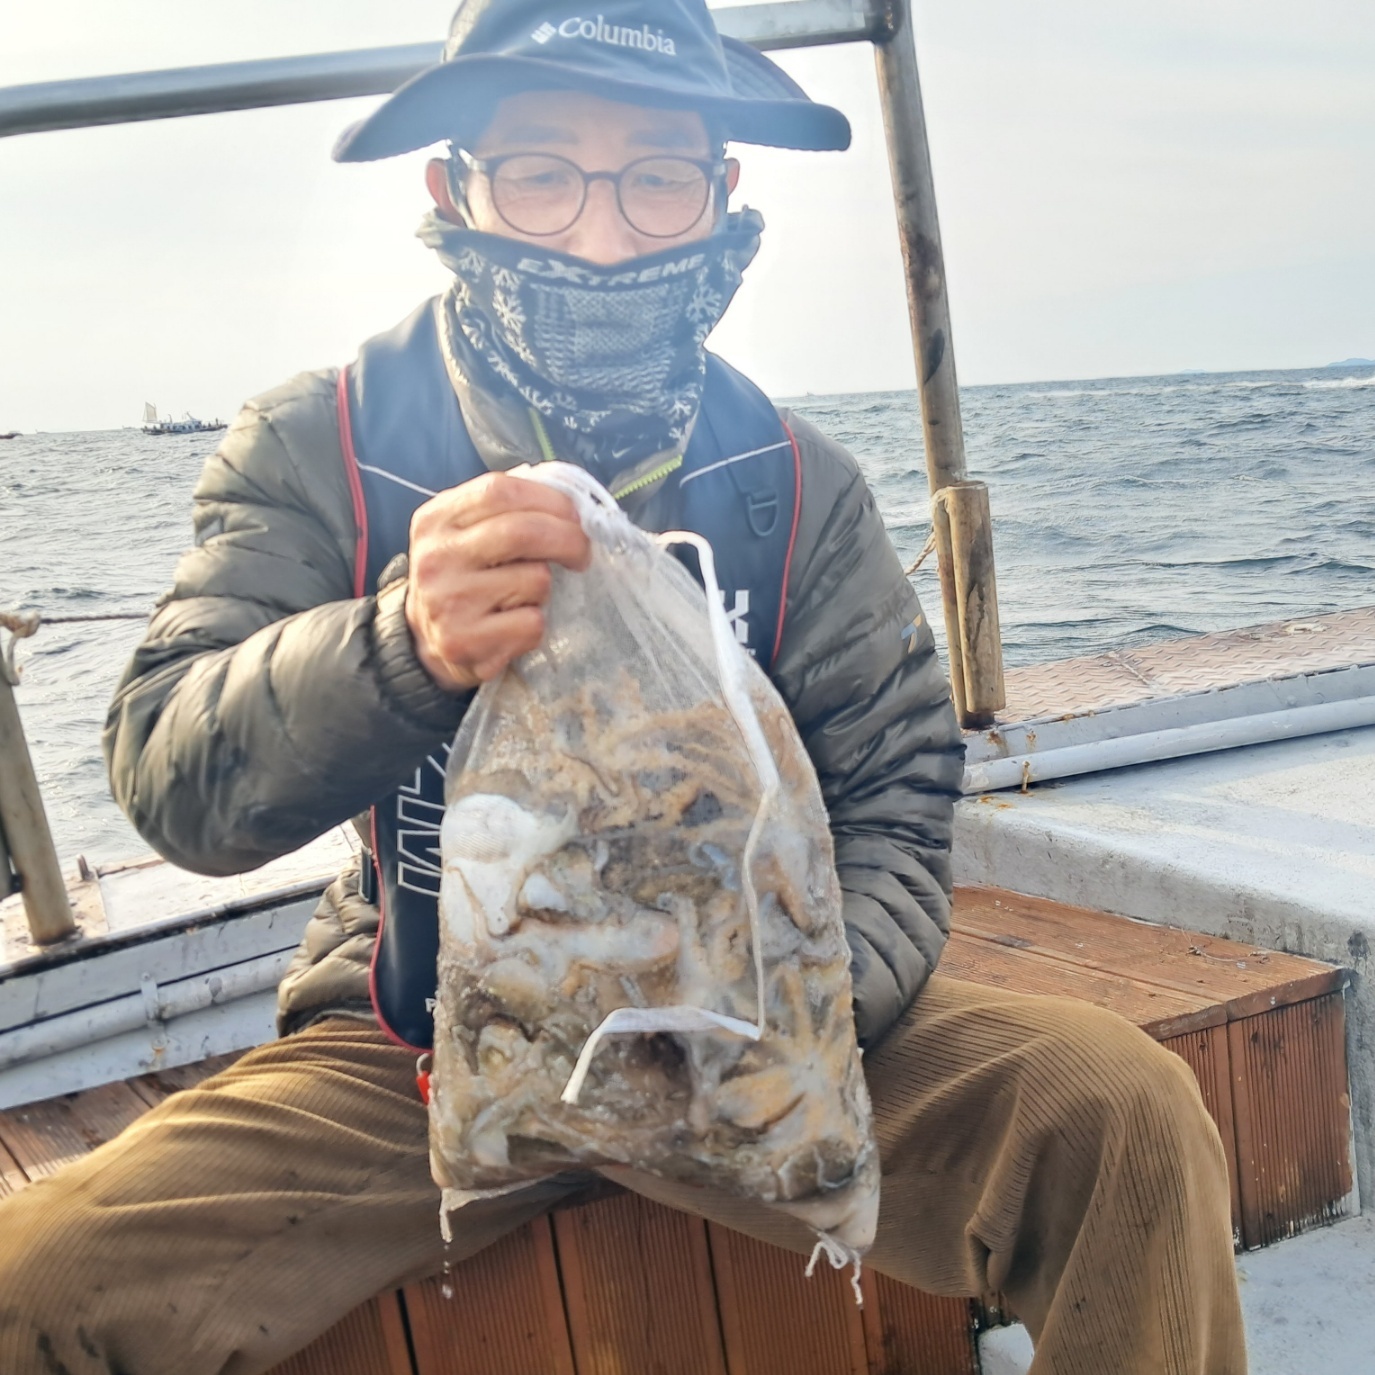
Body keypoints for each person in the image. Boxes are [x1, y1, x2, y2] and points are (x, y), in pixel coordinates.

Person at [0, 3, 1245, 1372]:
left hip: (752, 1035)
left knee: (1122, 1116)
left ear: (721, 197)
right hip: (422, 1043)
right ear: (455, 190)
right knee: (31, 1277)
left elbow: (896, 787)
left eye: (656, 179)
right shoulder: (317, 445)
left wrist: (804, 1021)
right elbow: (172, 779)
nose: (602, 237)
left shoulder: (795, 485)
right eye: (542, 174)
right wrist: (397, 645)